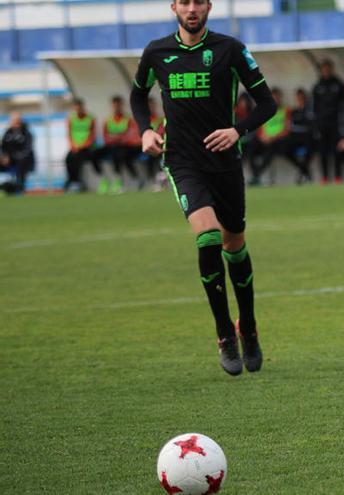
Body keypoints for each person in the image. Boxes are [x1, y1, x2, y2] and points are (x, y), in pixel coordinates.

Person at [130, 0, 277, 375]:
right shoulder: (156, 52)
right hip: (182, 161)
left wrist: (236, 130)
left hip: (225, 163)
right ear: (173, 7)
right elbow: (137, 94)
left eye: (198, 2)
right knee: (208, 236)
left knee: (234, 245)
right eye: (185, 2)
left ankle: (249, 326)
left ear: (209, 6)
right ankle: (224, 332)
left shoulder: (230, 49)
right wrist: (146, 129)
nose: (192, 9)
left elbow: (266, 103)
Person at [311, 59, 344, 184]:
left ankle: (338, 177)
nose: (325, 72)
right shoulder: (317, 87)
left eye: (327, 69)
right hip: (322, 124)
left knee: (337, 151)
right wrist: (316, 124)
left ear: (331, 70)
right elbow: (314, 107)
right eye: (323, 70)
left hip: (336, 123)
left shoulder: (338, 85)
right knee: (323, 151)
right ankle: (325, 177)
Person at [251, 87, 292, 186]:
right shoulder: (265, 111)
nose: (275, 100)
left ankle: (256, 176)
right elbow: (260, 127)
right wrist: (262, 137)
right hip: (265, 139)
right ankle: (255, 175)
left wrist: (274, 137)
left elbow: (287, 129)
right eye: (273, 98)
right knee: (251, 147)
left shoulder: (286, 110)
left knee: (271, 150)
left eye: (277, 98)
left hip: (277, 140)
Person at [102, 95, 142, 192]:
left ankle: (131, 179)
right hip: (114, 146)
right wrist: (116, 138)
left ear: (122, 105)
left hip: (127, 146)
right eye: (114, 106)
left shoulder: (128, 119)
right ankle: (105, 179)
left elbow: (133, 136)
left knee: (122, 154)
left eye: (118, 105)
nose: (116, 108)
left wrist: (118, 138)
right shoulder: (107, 120)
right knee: (96, 154)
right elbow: (106, 137)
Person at [64, 98, 102, 193]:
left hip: (87, 147)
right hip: (75, 147)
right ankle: (73, 181)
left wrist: (82, 146)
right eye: (76, 108)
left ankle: (80, 182)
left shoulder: (90, 118)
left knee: (78, 159)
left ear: (83, 107)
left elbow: (92, 136)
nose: (78, 110)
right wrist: (73, 145)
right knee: (68, 158)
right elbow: (69, 134)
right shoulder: (71, 119)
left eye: (79, 108)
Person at [0, 111, 35, 194]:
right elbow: (3, 147)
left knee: (22, 164)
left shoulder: (26, 133)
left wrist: (12, 157)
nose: (12, 121)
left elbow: (27, 150)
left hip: (23, 160)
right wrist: (4, 157)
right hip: (8, 159)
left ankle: (20, 188)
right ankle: (5, 187)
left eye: (15, 119)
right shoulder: (8, 133)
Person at [289, 88, 314, 184]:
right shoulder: (294, 111)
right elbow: (291, 125)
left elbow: (310, 125)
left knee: (310, 150)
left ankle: (302, 174)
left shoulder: (309, 110)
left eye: (302, 97)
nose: (300, 99)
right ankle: (304, 170)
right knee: (285, 149)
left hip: (307, 136)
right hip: (296, 137)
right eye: (298, 98)